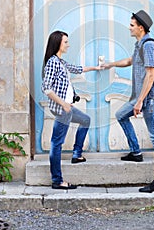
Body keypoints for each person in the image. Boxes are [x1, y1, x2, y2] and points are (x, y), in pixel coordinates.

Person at [102, 10, 154, 193]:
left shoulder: (149, 46)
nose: (129, 28)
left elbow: (150, 74)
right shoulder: (139, 45)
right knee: (121, 115)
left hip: (149, 100)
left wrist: (139, 102)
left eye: (132, 25)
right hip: (140, 98)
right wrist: (111, 64)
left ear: (141, 27)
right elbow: (131, 61)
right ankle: (136, 152)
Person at [41, 30, 100, 190]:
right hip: (62, 109)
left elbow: (77, 69)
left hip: (66, 107)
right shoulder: (53, 62)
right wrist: (64, 104)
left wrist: (95, 67)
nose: (68, 44)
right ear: (58, 43)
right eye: (65, 42)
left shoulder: (61, 62)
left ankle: (76, 154)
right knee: (56, 144)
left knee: (85, 120)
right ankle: (57, 180)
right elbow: (46, 88)